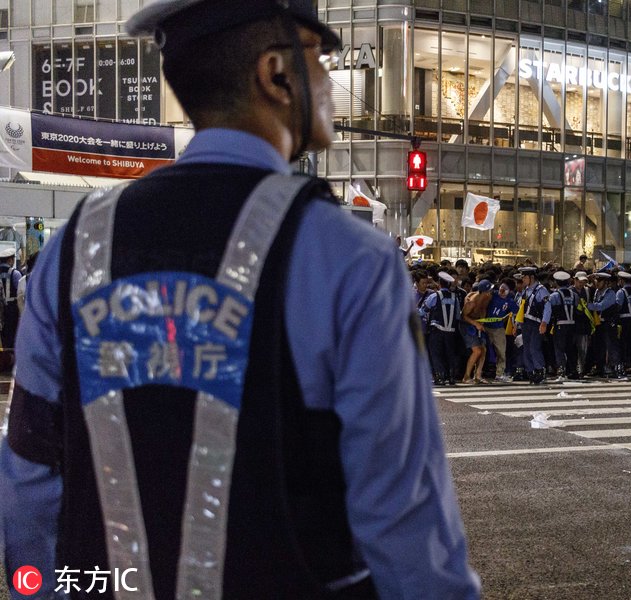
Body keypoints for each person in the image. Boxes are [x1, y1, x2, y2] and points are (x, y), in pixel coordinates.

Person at [0, 2, 480, 598]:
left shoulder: (75, 246)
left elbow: (29, 474)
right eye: (320, 59)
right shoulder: (349, 256)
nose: (329, 81)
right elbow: (402, 514)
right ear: (275, 73)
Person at [519, 266, 551, 384]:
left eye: (524, 277)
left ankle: (539, 370)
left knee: (534, 348)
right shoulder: (525, 290)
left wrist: (544, 322)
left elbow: (547, 307)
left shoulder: (541, 290)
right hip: (525, 323)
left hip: (536, 322)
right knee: (526, 348)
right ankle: (530, 371)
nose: (523, 279)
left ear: (531, 277)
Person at [461, 279, 493, 384]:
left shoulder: (487, 298)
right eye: (488, 291)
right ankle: (466, 376)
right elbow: (463, 316)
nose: (490, 293)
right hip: (467, 325)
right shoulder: (472, 302)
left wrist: (482, 321)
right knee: (477, 350)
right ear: (483, 291)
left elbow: (483, 309)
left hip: (479, 323)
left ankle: (478, 375)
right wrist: (475, 323)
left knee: (483, 349)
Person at [548, 271, 578, 381]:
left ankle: (561, 370)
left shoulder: (554, 295)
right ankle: (573, 370)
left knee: (559, 348)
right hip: (572, 324)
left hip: (560, 324)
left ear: (556, 282)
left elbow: (550, 310)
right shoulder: (574, 295)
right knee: (571, 348)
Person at [588, 271, 619, 377]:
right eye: (597, 280)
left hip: (608, 323)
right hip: (598, 324)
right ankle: (599, 367)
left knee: (610, 346)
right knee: (598, 346)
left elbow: (601, 306)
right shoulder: (597, 291)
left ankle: (612, 367)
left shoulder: (610, 293)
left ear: (606, 282)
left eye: (600, 281)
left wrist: (587, 306)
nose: (597, 282)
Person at [483, 279, 514, 382]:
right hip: (485, 326)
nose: (502, 290)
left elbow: (516, 311)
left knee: (501, 352)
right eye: (501, 287)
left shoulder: (510, 300)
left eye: (505, 289)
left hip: (498, 329)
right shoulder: (492, 295)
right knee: (482, 350)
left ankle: (499, 373)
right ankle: (480, 372)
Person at [0, 246, 22, 350]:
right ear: (10, 260)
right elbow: (20, 291)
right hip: (11, 310)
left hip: (1, 309)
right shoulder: (15, 273)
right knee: (10, 336)